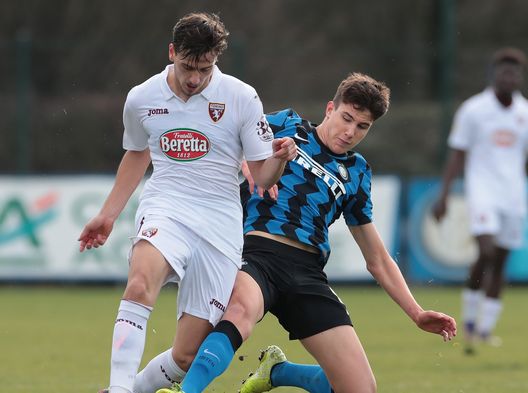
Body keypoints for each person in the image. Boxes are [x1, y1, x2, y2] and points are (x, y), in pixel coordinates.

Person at [153, 72, 457, 393]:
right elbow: (221, 135)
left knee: (361, 388)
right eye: (347, 118)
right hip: (256, 253)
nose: (350, 131)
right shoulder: (287, 125)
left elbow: (377, 258)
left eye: (362, 126)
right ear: (330, 109)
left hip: (307, 274)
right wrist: (242, 159)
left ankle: (278, 373)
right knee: (240, 312)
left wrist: (417, 313)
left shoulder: (357, 171)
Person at [77, 12, 297, 393]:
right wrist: (108, 214)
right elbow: (136, 153)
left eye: (205, 68)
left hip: (220, 223)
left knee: (187, 355)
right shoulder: (142, 97)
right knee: (140, 283)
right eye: (187, 66)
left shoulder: (242, 97)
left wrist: (279, 159)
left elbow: (262, 177)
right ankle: (118, 389)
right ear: (172, 52)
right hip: (167, 206)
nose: (195, 78)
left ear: (216, 60)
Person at [432, 47, 528, 354]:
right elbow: (457, 154)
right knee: (485, 252)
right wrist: (443, 194)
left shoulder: (524, 112)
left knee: (500, 260)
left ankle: (484, 330)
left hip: (513, 195)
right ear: (494, 75)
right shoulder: (473, 110)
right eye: (504, 71)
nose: (509, 76)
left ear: (519, 77)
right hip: (483, 191)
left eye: (514, 72)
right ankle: (470, 322)